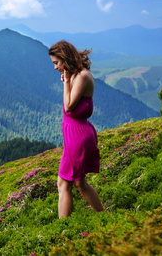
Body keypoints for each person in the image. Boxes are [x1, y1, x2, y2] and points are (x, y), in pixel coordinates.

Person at [48, 40, 104, 218]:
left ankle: (64, 227)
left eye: (57, 63)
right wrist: (67, 78)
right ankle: (103, 216)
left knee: (70, 184)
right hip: (73, 137)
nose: (55, 67)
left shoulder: (82, 76)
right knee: (74, 183)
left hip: (79, 137)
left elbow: (69, 105)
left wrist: (65, 82)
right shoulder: (74, 75)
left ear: (64, 59)